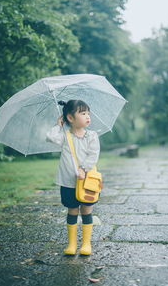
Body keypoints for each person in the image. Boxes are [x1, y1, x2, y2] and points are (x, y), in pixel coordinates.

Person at [46, 100, 101, 256]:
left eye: (88, 113)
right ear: (70, 118)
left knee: (86, 210)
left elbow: (93, 154)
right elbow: (50, 137)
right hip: (68, 182)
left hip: (87, 181)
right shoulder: (65, 135)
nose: (87, 116)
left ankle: (86, 243)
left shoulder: (91, 135)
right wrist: (59, 125)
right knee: (72, 210)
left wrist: (84, 169)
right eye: (83, 113)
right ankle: (71, 244)